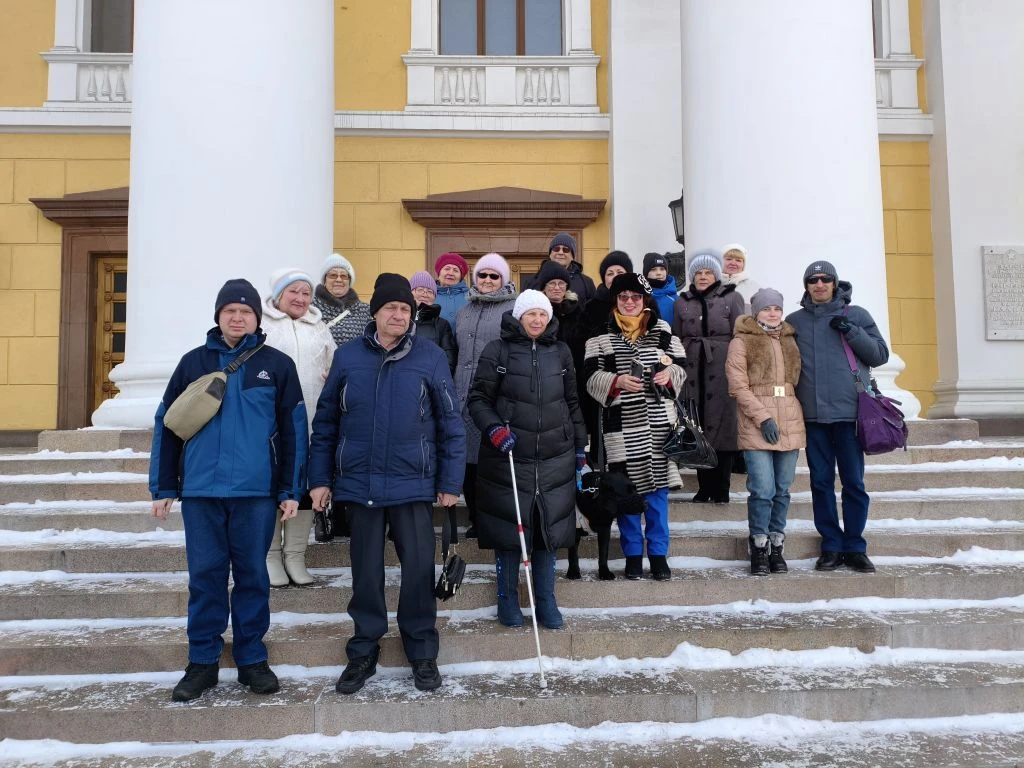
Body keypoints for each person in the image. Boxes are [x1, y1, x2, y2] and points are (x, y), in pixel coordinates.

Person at [150, 278, 307, 702]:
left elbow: (294, 431)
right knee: (206, 578)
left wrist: (291, 489)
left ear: (258, 317)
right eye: (229, 310)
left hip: (255, 493)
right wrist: (163, 486)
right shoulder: (192, 363)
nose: (237, 317)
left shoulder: (275, 365)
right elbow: (167, 426)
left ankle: (252, 659)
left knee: (253, 577)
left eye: (246, 311)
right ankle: (201, 662)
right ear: (218, 315)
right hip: (201, 492)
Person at [308, 273, 465, 694]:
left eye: (404, 309)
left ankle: (422, 650)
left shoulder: (429, 356)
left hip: (413, 483)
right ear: (374, 312)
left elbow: (451, 422)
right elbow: (325, 422)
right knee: (365, 573)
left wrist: (450, 481)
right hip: (359, 484)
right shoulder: (347, 357)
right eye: (390, 308)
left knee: (417, 571)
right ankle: (363, 650)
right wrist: (320, 479)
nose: (398, 315)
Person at [468, 289, 587, 628]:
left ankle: (546, 600)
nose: (537, 320)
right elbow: (477, 399)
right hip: (508, 455)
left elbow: (572, 402)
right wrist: (493, 430)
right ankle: (507, 599)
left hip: (554, 456)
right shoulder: (498, 350)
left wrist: (580, 447)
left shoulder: (561, 352)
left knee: (548, 530)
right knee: (510, 530)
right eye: (530, 314)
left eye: (542, 314)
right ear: (519, 316)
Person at [786, 261, 889, 574]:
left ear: (835, 283)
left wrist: (852, 332)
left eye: (825, 279)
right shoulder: (794, 322)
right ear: (806, 286)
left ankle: (855, 546)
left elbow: (880, 355)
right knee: (820, 482)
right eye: (813, 280)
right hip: (813, 417)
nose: (819, 284)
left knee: (854, 483)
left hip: (849, 415)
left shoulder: (856, 315)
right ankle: (830, 544)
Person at [584, 272, 687, 581]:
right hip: (619, 429)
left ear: (645, 300)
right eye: (623, 297)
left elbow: (680, 369)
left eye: (636, 297)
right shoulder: (599, 336)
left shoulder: (664, 331)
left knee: (656, 497)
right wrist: (615, 381)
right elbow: (589, 378)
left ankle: (658, 554)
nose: (629, 302)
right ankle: (631, 554)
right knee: (625, 496)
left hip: (657, 425)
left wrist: (669, 378)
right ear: (616, 300)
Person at [260, 268, 335, 587]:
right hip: (271, 426)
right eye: (294, 292)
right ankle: (270, 556)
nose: (301, 299)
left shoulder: (319, 328)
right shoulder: (262, 326)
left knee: (305, 487)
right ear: (278, 296)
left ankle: (295, 555)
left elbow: (334, 365)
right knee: (271, 488)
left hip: (312, 421)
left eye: (306, 293)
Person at [725, 288, 805, 575]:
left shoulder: (790, 338)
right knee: (763, 489)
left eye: (776, 308)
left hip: (791, 420)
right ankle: (758, 544)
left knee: (782, 489)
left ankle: (776, 543)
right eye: (766, 308)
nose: (772, 313)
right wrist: (763, 417)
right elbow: (738, 386)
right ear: (755, 311)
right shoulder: (741, 341)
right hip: (757, 420)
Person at [455, 253, 519, 538]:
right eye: (482, 275)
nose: (488, 280)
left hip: (494, 393)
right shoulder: (464, 310)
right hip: (462, 392)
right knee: (467, 461)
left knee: (490, 461)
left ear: (503, 280)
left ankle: (493, 518)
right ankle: (475, 517)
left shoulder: (514, 308)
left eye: (494, 276)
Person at [673, 252, 745, 504]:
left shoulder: (732, 297)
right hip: (693, 370)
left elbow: (741, 334)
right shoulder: (682, 302)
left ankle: (721, 487)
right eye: (699, 273)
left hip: (722, 370)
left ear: (716, 275)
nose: (703, 277)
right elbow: (678, 337)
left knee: (723, 428)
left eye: (708, 272)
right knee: (697, 426)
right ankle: (704, 487)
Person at [575, 250, 633, 453]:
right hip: (603, 386)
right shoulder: (592, 307)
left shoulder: (643, 302)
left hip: (635, 384)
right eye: (610, 272)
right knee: (604, 446)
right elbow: (582, 345)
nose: (615, 276)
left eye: (620, 271)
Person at [313, 253, 372, 346]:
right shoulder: (311, 309)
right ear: (324, 280)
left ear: (349, 281)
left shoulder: (365, 311)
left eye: (344, 276)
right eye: (333, 275)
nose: (339, 280)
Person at [409, 270, 458, 373]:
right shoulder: (401, 319)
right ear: (410, 293)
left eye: (430, 291)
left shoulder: (442, 324)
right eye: (420, 290)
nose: (425, 294)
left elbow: (449, 361)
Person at [529, 232, 596, 306]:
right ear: (550, 254)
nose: (560, 252)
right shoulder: (532, 280)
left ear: (572, 256)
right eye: (556, 249)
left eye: (566, 250)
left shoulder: (586, 282)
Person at [535, 260, 582, 348]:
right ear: (544, 287)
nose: (557, 288)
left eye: (561, 283)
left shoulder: (577, 310)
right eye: (552, 283)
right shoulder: (536, 309)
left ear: (566, 287)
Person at [720, 244, 762, 314]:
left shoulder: (754, 288)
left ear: (743, 265)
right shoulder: (711, 285)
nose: (733, 263)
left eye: (738, 260)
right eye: (729, 259)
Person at [434, 252, 470, 329]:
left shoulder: (471, 297)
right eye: (447, 269)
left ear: (461, 276)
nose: (450, 273)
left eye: (455, 270)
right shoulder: (429, 295)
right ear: (439, 273)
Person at [643, 251, 678, 322]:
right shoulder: (639, 297)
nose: (659, 273)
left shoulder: (676, 300)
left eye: (662, 269)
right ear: (646, 273)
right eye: (653, 269)